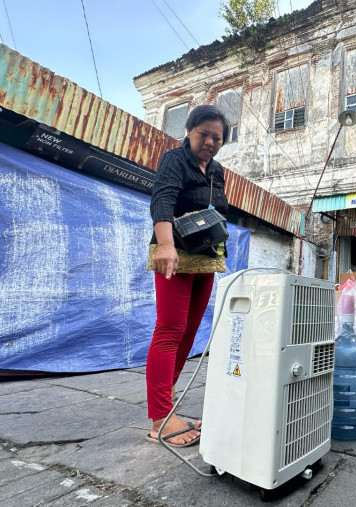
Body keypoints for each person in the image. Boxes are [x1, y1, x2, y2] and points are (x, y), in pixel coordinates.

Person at [146, 105, 230, 447]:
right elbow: (162, 200)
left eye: (217, 137)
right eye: (204, 135)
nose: (210, 142)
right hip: (175, 258)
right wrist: (165, 245)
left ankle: (169, 403)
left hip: (206, 260)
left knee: (188, 333)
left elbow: (219, 212)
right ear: (189, 132)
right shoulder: (173, 160)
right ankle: (160, 419)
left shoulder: (217, 171)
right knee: (169, 331)